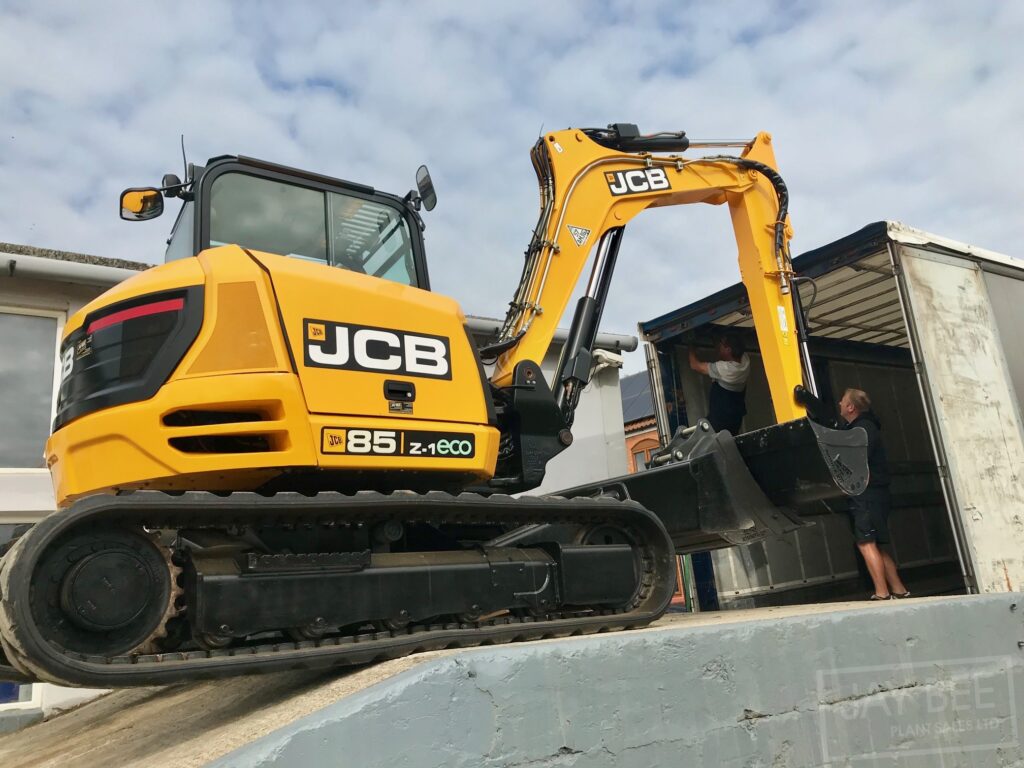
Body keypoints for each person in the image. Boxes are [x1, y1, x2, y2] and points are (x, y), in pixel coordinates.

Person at [838, 388, 910, 601]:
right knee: (875, 543)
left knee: (865, 542)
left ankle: (881, 593)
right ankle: (898, 589)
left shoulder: (862, 430)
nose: (839, 404)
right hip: (876, 494)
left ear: (851, 407)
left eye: (842, 401)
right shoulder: (867, 427)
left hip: (867, 495)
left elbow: (856, 461)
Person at [688, 332, 750, 434]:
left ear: (728, 350)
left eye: (721, 345)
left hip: (719, 421)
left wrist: (690, 344)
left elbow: (695, 365)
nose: (718, 347)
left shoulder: (726, 369)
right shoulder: (745, 360)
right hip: (735, 418)